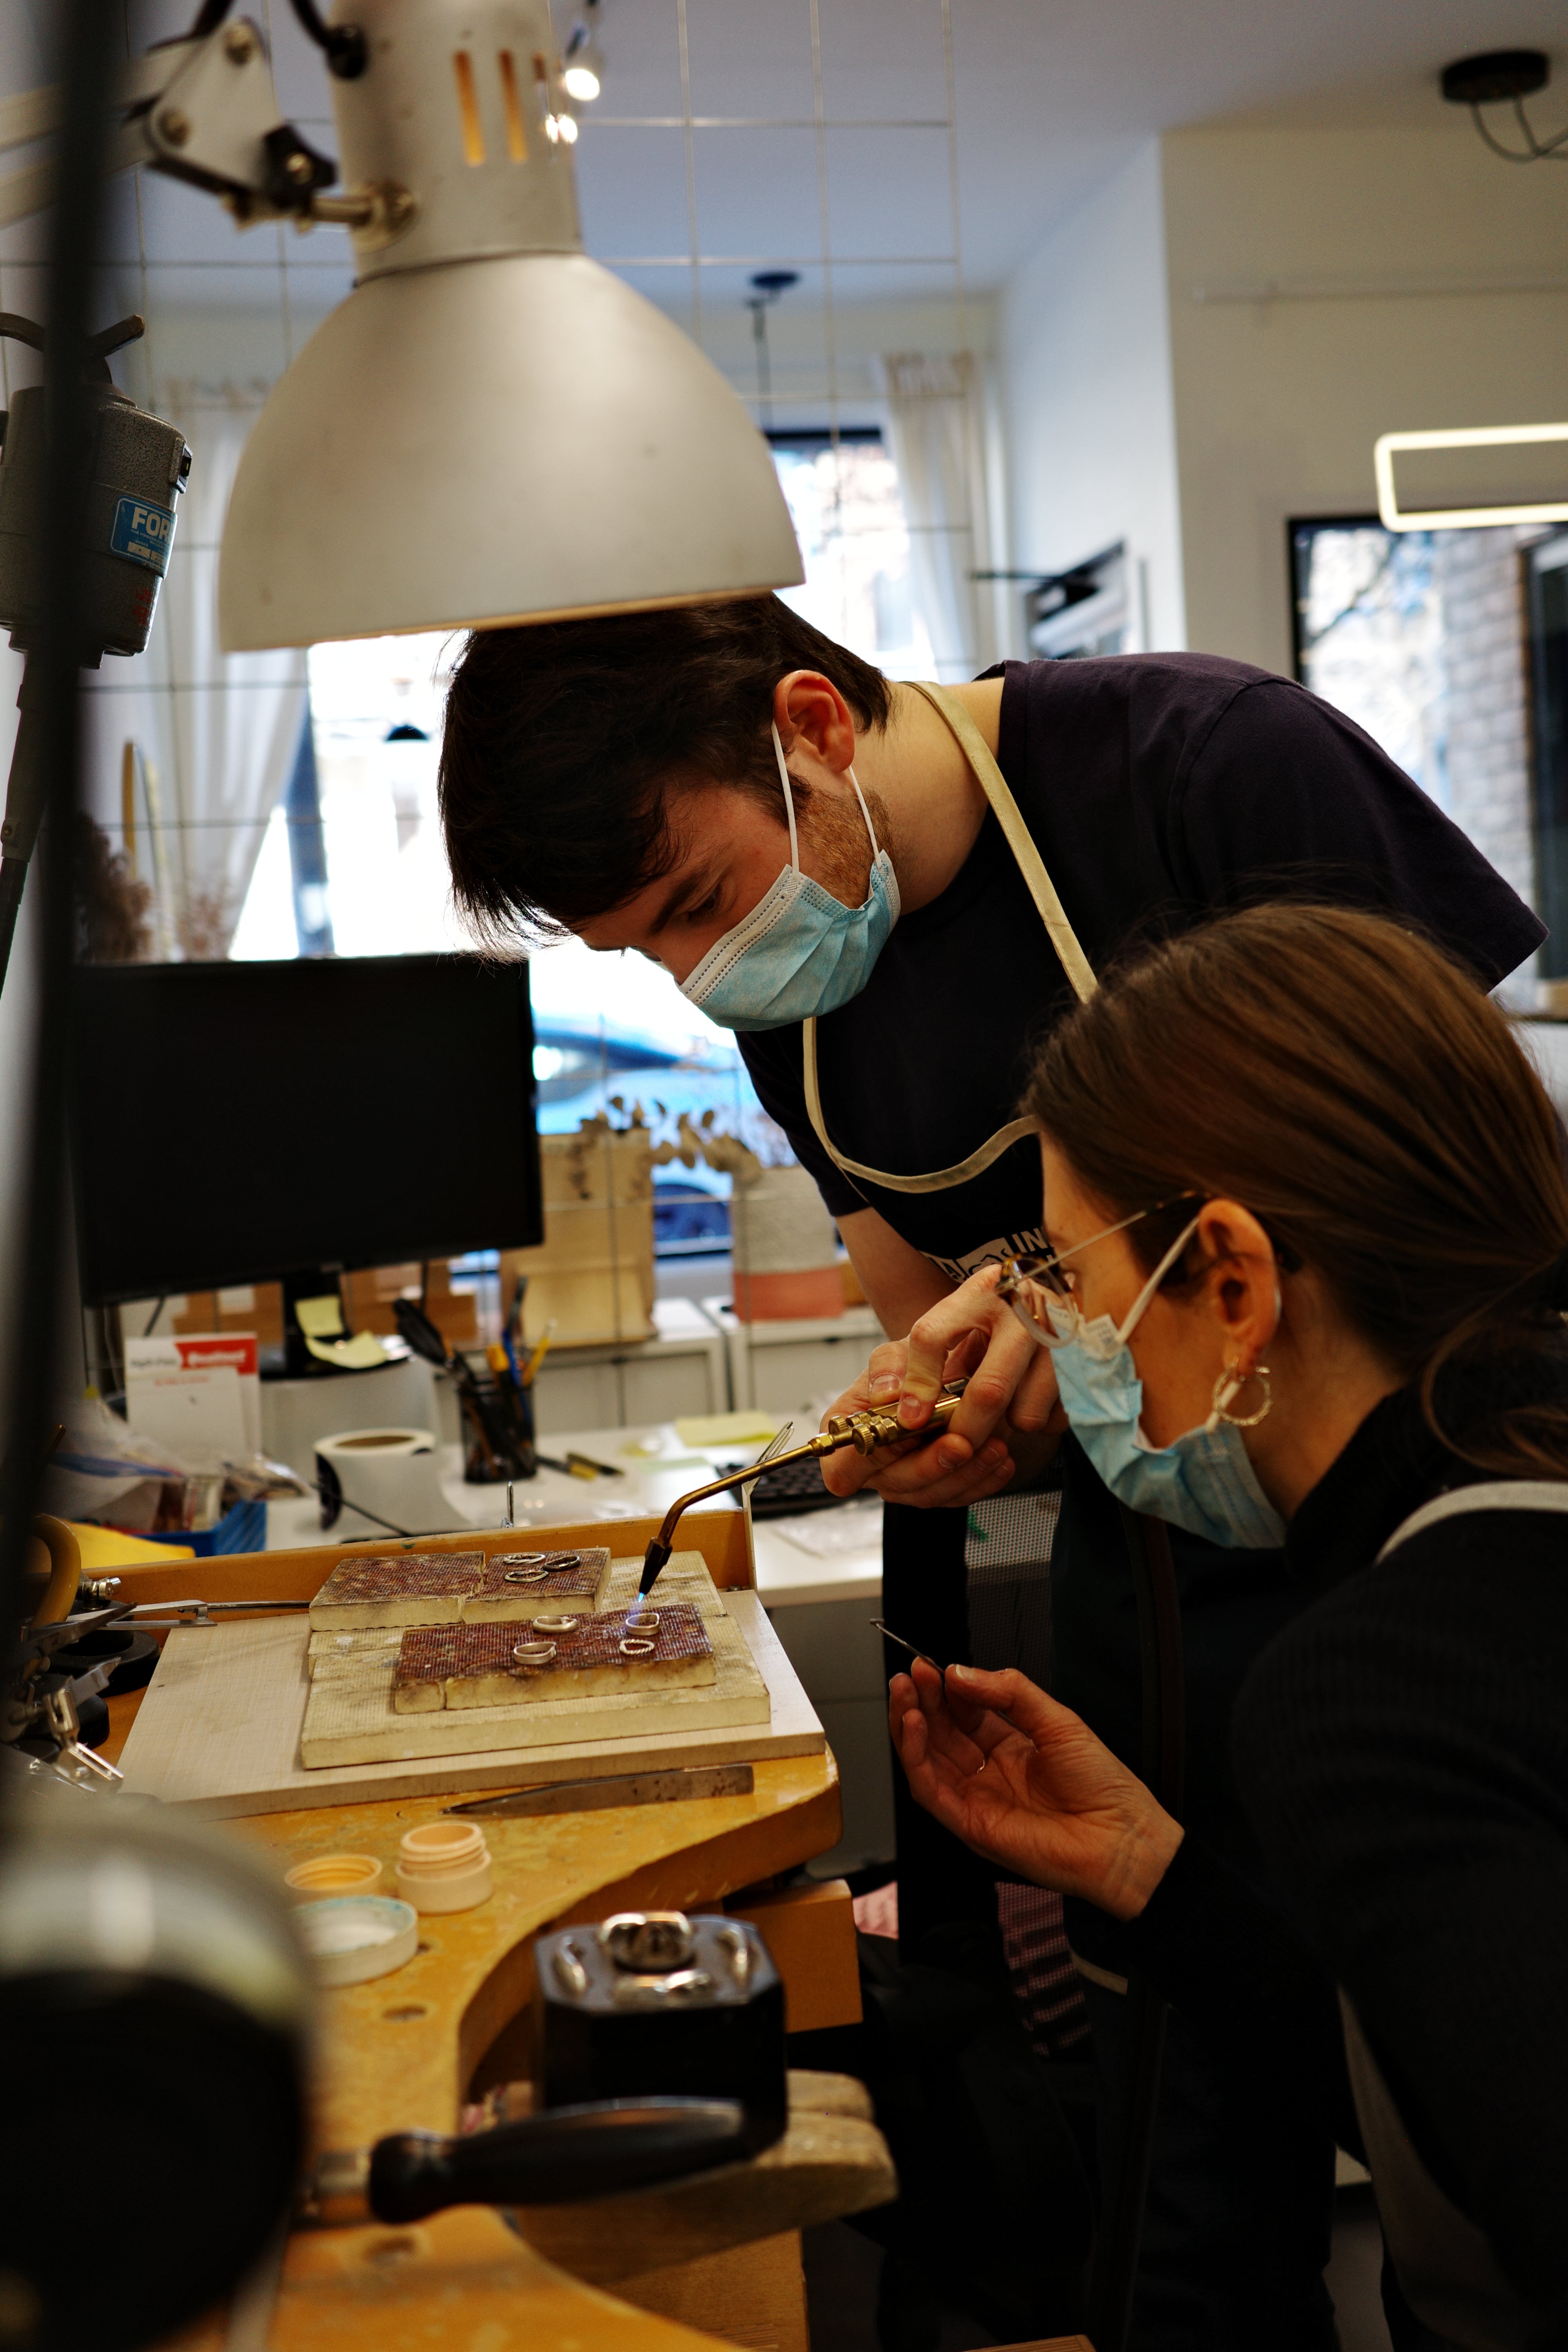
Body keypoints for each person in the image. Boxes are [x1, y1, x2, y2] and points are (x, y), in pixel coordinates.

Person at [438, 598, 1544, 2343]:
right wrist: (967, 1407)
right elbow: (928, 1318)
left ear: (808, 726)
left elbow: (1477, 1176)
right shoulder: (786, 998)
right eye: (643, 955)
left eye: (702, 907)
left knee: (1458, 2137)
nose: (702, 975)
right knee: (1193, 2159)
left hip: (1412, 1557)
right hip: (1160, 1607)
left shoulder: (1207, 771)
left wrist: (1103, 1329)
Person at [887, 901, 1568, 2352]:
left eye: (1070, 1280)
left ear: (1237, 1286)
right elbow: (1468, 2082)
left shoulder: (1386, 1682)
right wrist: (1156, 1875)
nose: (1063, 1342)